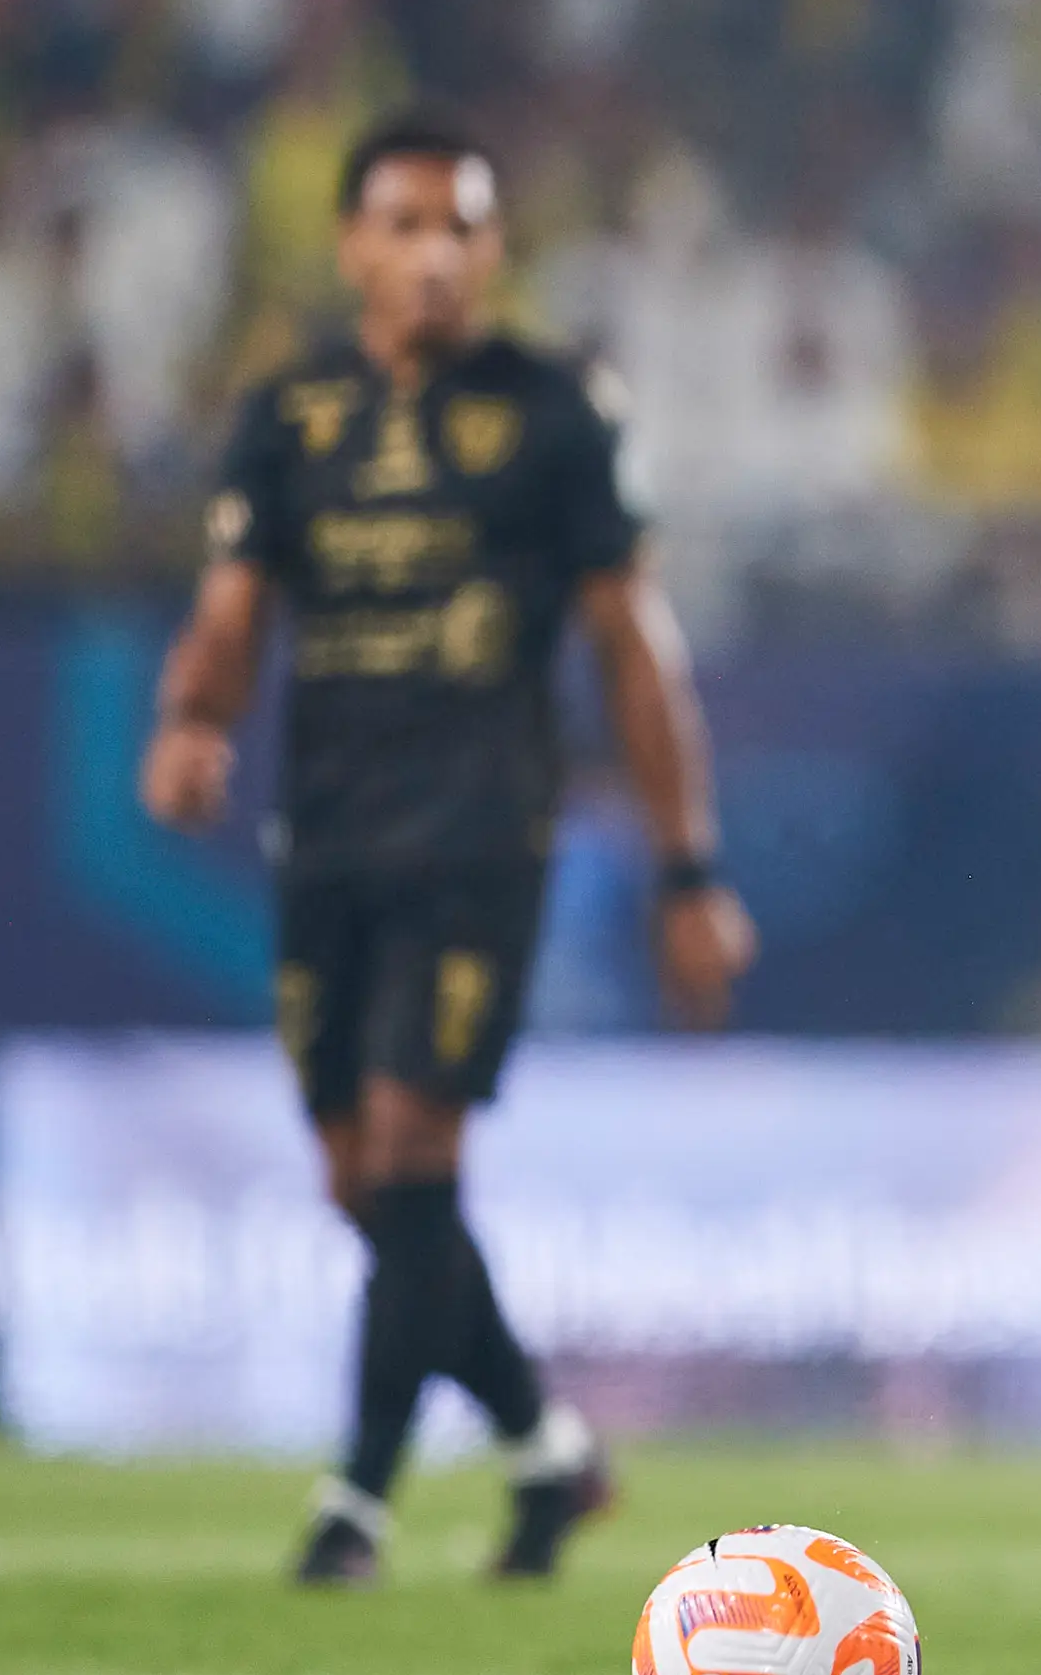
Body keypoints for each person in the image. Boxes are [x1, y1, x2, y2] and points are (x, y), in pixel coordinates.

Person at [139, 112, 758, 1587]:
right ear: (352, 244)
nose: (435, 256)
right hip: (329, 840)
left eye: (463, 228)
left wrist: (687, 873)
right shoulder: (289, 417)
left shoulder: (555, 412)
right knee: (365, 1183)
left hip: (479, 837)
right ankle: (549, 1451)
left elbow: (632, 648)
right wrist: (188, 723)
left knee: (418, 1147)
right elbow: (234, 612)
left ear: (494, 251)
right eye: (405, 225)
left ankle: (356, 1499)